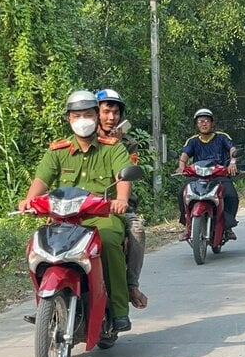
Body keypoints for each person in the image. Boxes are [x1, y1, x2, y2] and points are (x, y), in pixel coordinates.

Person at [18, 90, 135, 332]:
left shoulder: (112, 148)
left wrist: (121, 199)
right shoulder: (57, 150)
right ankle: (45, 306)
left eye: (88, 114)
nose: (83, 120)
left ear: (96, 117)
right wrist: (29, 200)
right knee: (38, 249)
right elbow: (42, 179)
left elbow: (123, 176)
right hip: (64, 219)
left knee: (110, 244)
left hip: (102, 216)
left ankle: (119, 309)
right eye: (77, 115)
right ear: (69, 119)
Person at [95, 88, 148, 310]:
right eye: (106, 111)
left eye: (116, 112)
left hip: (116, 206)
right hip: (81, 206)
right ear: (95, 113)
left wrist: (116, 145)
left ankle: (131, 284)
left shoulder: (128, 143)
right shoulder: (83, 139)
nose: (111, 117)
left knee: (136, 229)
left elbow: (126, 175)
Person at [175, 109, 239, 241]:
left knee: (232, 195)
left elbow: (232, 149)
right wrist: (181, 167)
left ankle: (228, 227)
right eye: (200, 121)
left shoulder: (222, 137)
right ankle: (187, 226)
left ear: (212, 123)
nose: (204, 124)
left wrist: (232, 162)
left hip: (219, 175)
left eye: (206, 121)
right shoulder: (192, 141)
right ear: (196, 125)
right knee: (182, 193)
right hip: (198, 176)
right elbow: (184, 156)